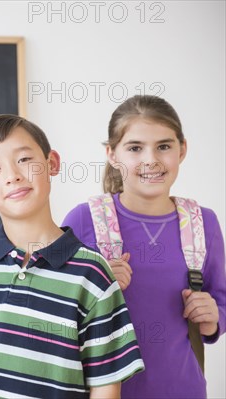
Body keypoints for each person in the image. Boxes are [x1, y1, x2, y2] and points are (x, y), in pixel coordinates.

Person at [0, 114, 144, 398]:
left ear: (52, 164)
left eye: (24, 159)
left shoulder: (92, 273)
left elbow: (105, 387)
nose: (13, 175)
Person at [63, 95, 225, 398]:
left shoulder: (204, 223)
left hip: (184, 391)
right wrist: (97, 284)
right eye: (135, 148)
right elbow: (54, 307)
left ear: (182, 149)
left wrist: (213, 317)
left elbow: (220, 300)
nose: (151, 159)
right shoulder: (83, 220)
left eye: (164, 146)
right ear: (112, 154)